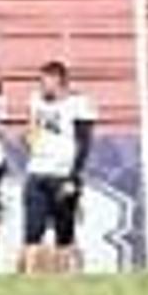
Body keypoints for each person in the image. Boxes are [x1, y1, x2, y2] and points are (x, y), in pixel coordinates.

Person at [20, 57, 100, 274]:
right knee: (31, 231)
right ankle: (28, 280)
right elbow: (32, 128)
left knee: (64, 233)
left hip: (62, 174)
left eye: (46, 80)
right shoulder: (35, 100)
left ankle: (67, 278)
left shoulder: (78, 104)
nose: (42, 85)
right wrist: (28, 138)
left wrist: (74, 177)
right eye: (40, 80)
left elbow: (84, 143)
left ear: (60, 81)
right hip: (37, 171)